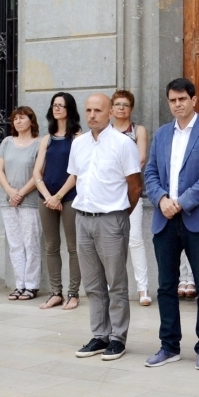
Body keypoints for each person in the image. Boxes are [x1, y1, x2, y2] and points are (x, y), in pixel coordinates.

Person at [143, 78, 199, 371]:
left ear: (193, 100)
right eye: (172, 100)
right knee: (166, 286)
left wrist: (181, 202)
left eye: (182, 99)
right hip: (164, 219)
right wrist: (161, 199)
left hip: (196, 219)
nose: (177, 104)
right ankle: (169, 345)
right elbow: (150, 172)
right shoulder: (162, 134)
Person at [69, 94, 142, 362]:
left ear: (110, 112)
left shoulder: (123, 144)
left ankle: (118, 338)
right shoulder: (78, 144)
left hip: (112, 219)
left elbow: (135, 186)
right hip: (83, 217)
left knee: (116, 282)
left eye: (98, 110)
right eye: (88, 110)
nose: (92, 115)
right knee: (92, 283)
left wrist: (120, 214)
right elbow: (77, 178)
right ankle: (100, 335)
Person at [33, 92, 83, 310]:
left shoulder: (78, 138)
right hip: (46, 198)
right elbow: (37, 172)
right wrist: (48, 197)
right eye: (54, 105)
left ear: (69, 109)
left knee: (73, 247)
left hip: (69, 197)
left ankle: (73, 293)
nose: (57, 108)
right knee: (51, 246)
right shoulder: (47, 139)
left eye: (61, 105)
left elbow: (77, 172)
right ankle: (55, 293)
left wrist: (59, 196)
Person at [110, 89, 152, 307]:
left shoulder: (138, 130)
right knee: (111, 243)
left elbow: (140, 159)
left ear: (131, 108)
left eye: (125, 104)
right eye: (117, 104)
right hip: (109, 194)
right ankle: (113, 287)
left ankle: (143, 289)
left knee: (135, 239)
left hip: (131, 191)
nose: (121, 108)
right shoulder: (105, 130)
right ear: (111, 108)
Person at [0, 107, 41, 300]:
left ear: (31, 120)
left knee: (31, 244)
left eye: (22, 118)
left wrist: (21, 193)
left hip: (29, 201)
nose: (18, 122)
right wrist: (10, 191)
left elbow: (39, 173)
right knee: (15, 244)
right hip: (8, 201)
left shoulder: (39, 143)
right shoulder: (7, 142)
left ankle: (31, 285)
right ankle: (19, 284)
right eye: (15, 119)